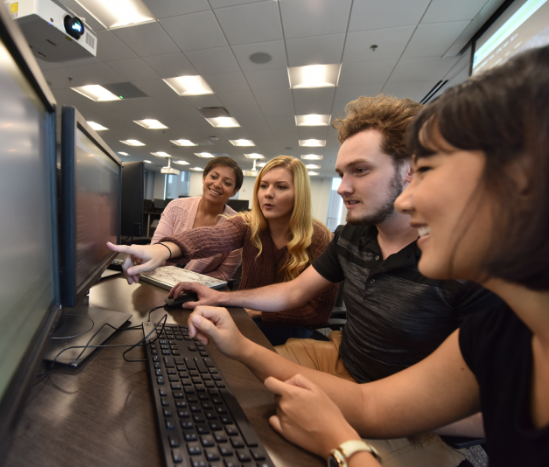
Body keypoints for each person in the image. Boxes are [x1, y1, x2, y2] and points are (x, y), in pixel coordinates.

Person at [186, 45, 549, 466]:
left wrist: (344, 446)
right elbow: (370, 403)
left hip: (419, 417)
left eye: (428, 171)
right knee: (231, 397)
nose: (411, 198)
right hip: (356, 371)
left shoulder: (489, 301)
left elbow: (400, 411)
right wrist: (232, 324)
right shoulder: (500, 333)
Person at [109, 156, 338, 345]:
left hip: (291, 331)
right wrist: (162, 250)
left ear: (300, 194)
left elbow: (317, 312)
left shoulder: (320, 238)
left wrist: (254, 311)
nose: (268, 193)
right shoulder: (248, 224)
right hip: (246, 318)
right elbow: (210, 237)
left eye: (281, 187)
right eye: (264, 186)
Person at [151, 156, 243, 281]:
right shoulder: (176, 207)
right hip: (158, 282)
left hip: (197, 294)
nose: (217, 184)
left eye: (227, 183)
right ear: (204, 178)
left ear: (234, 192)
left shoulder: (237, 226)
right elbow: (156, 250)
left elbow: (223, 274)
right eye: (214, 177)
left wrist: (188, 283)